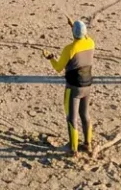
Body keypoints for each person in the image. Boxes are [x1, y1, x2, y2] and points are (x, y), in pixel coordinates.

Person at [42, 18, 95, 156]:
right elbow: (85, 36)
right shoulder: (90, 43)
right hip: (87, 85)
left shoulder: (69, 49)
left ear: (73, 33)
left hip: (73, 88)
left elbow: (59, 67)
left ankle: (73, 149)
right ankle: (88, 144)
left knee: (72, 118)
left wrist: (50, 58)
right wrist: (73, 25)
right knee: (85, 115)